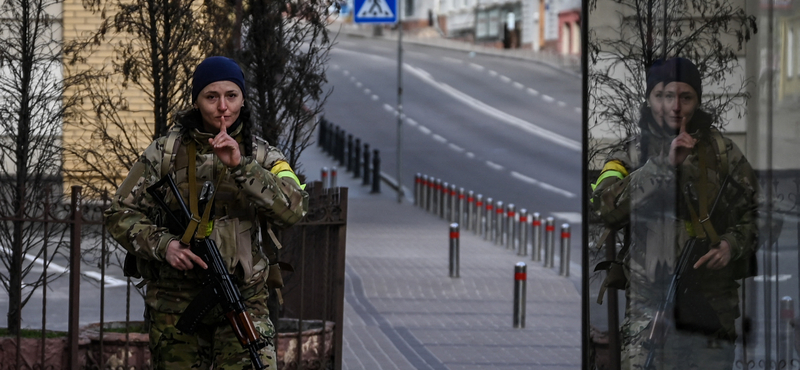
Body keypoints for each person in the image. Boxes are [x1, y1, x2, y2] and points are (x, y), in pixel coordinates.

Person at [104, 56, 308, 370]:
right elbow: (119, 213)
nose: (222, 106)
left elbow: (295, 210)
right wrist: (164, 246)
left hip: (243, 297)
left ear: (242, 100)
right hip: (176, 302)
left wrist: (243, 167)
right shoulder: (164, 154)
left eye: (231, 96)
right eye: (211, 97)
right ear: (197, 102)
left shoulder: (263, 155)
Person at [592, 57, 759, 369]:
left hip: (711, 310)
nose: (675, 107)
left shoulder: (723, 153)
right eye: (665, 96)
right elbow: (605, 208)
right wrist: (662, 166)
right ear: (651, 99)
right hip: (649, 309)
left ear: (696, 100)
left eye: (686, 97)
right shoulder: (629, 154)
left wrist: (730, 245)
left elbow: (756, 216)